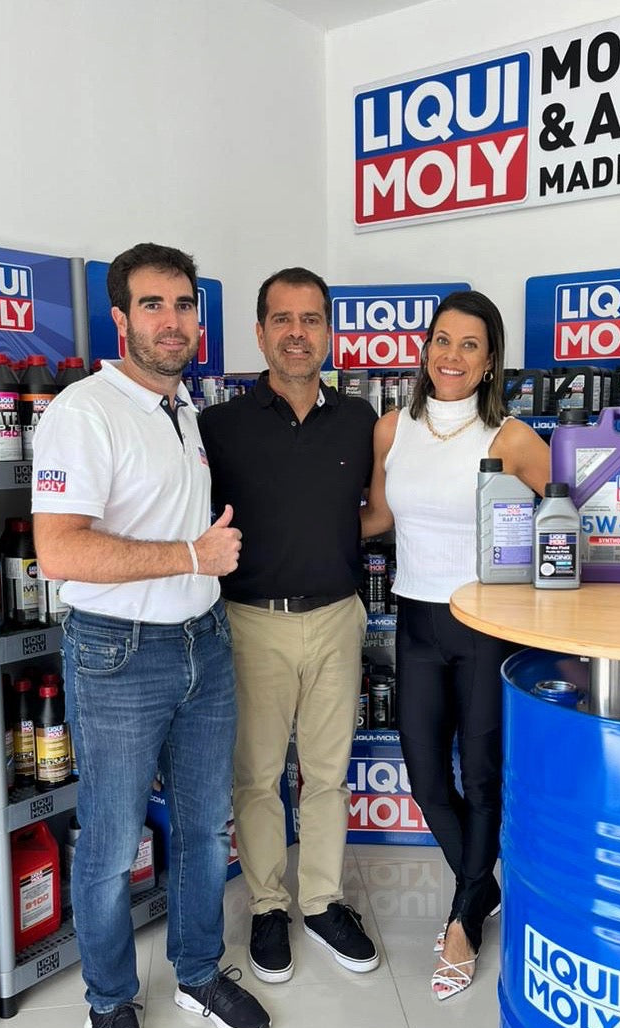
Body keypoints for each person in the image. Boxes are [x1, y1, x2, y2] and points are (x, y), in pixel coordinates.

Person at [32, 242, 270, 1028]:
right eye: (154, 304)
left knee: (204, 828)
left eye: (184, 304)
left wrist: (196, 572)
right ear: (121, 318)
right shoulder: (85, 411)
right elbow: (59, 550)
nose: (173, 321)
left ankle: (197, 973)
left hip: (204, 642)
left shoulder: (182, 409)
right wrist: (192, 555)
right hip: (119, 654)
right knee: (109, 844)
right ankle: (108, 1003)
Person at [360, 290, 550, 1001]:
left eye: (470, 344)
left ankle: (463, 922)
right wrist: (297, 527)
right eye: (443, 339)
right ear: (425, 348)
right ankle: (482, 885)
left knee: (482, 777)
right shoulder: (392, 429)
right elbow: (378, 517)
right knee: (425, 778)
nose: (452, 355)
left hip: (484, 626)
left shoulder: (512, 437)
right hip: (415, 618)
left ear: (490, 359)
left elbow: (572, 513)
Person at [198, 266, 379, 987]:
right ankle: (268, 904)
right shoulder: (218, 426)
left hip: (337, 617)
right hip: (252, 623)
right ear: (260, 331)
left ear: (329, 331)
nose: (297, 333)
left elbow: (377, 512)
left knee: (328, 774)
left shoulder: (362, 420)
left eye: (310, 319)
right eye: (283, 319)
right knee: (257, 777)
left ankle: (323, 901)